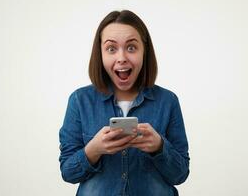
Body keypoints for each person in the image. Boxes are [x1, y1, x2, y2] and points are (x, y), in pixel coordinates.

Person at [59, 10, 190, 196]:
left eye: (131, 48)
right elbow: (68, 172)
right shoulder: (79, 101)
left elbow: (181, 174)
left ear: (144, 51)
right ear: (101, 53)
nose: (121, 57)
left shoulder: (168, 101)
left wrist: (159, 147)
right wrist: (93, 150)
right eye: (111, 49)